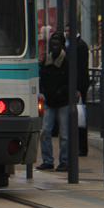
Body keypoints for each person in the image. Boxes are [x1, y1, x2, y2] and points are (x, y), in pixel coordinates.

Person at [37, 31, 70, 171]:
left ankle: (65, 161)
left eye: (57, 45)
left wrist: (61, 91)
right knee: (45, 131)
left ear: (61, 46)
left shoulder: (67, 62)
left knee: (64, 134)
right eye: (52, 45)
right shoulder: (46, 61)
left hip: (63, 102)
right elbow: (42, 77)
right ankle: (48, 160)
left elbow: (71, 80)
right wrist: (44, 90)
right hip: (49, 101)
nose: (54, 48)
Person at [65, 25, 92, 156]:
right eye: (65, 31)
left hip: (78, 87)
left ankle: (81, 147)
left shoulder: (79, 46)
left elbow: (80, 68)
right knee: (78, 117)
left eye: (68, 30)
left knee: (80, 118)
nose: (66, 33)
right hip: (76, 86)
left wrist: (78, 88)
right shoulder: (73, 44)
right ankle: (78, 146)